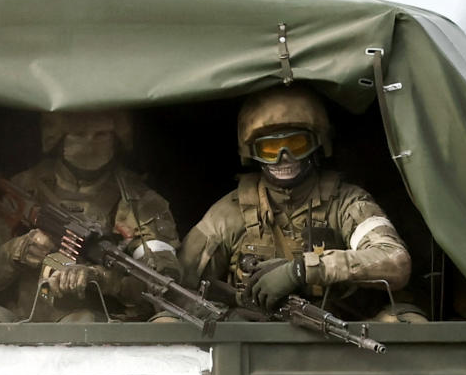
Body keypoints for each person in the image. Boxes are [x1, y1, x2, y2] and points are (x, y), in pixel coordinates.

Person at [179, 84, 421, 321]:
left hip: (342, 336)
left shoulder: (348, 203)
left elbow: (395, 262)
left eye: (297, 145)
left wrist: (302, 270)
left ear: (318, 143)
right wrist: (227, 317)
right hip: (251, 342)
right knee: (167, 322)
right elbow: (177, 286)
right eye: (270, 148)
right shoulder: (229, 213)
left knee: (405, 320)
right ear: (251, 152)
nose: (284, 158)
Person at [0, 110, 181, 323]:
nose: (90, 142)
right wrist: (15, 252)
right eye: (79, 134)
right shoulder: (24, 189)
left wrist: (102, 278)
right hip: (24, 319)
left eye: (101, 134)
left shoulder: (138, 201)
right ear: (60, 136)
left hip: (96, 327)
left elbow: (159, 282)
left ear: (116, 138)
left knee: (83, 323)